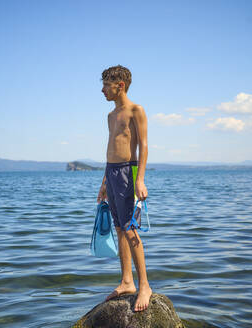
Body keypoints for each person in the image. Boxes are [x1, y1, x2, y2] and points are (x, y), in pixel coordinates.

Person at [97, 65, 152, 312]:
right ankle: (127, 281)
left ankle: (145, 286)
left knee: (130, 229)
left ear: (120, 85)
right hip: (112, 172)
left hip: (129, 172)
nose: (102, 90)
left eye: (106, 85)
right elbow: (111, 148)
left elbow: (144, 146)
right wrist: (105, 182)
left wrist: (140, 179)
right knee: (119, 229)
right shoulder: (110, 116)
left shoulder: (135, 110)